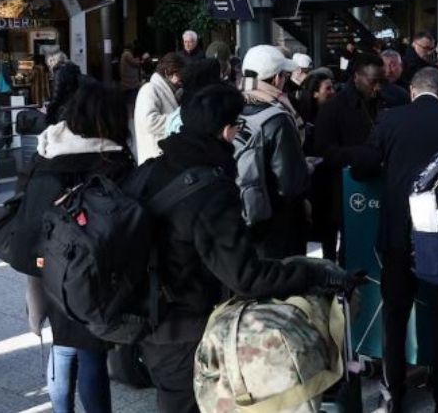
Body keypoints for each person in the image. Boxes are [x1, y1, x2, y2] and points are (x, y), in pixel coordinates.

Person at [129, 84, 358, 413]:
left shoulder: (152, 169)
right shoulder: (209, 189)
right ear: (227, 131)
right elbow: (246, 276)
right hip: (186, 328)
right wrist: (312, 273)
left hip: (150, 320)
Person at [351, 67, 438, 413]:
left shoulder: (390, 120)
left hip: (399, 231)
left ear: (412, 91)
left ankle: (393, 390)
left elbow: (363, 166)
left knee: (395, 312)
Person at [20, 84, 133, 413]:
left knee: (63, 344)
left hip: (49, 267)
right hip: (91, 270)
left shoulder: (47, 152)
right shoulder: (111, 159)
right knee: (91, 354)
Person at [239, 45, 311, 258]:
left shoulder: (231, 108)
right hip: (278, 222)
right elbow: (290, 184)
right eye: (284, 76)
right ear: (277, 78)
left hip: (242, 215)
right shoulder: (277, 118)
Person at [313, 52, 385, 261]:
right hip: (343, 189)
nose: (377, 88)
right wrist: (363, 155)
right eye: (373, 82)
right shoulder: (333, 108)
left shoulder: (384, 102)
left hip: (377, 186)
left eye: (381, 82)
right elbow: (324, 151)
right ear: (357, 77)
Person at [134, 53, 183, 163]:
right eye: (178, 74)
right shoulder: (149, 89)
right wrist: (176, 120)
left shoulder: (170, 91)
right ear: (167, 72)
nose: (181, 78)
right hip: (154, 157)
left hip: (164, 157)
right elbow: (149, 122)